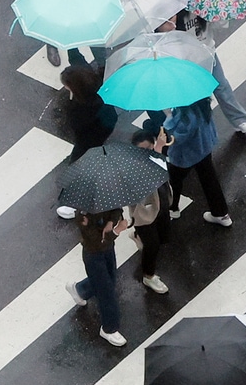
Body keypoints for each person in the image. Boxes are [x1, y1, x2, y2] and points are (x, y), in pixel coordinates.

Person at [159, 11, 246, 134]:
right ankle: (205, 130)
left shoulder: (204, 8)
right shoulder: (176, 15)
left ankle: (239, 120)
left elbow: (220, 25)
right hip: (190, 63)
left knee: (221, 86)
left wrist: (220, 14)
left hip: (208, 54)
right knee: (200, 99)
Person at [54, 65, 117, 218]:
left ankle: (72, 201)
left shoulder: (79, 107)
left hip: (89, 138)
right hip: (106, 124)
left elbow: (76, 127)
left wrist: (70, 103)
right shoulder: (98, 87)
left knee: (78, 162)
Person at [158, 98, 232, 227]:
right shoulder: (202, 103)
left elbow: (177, 137)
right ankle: (221, 214)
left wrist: (169, 116)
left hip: (186, 155)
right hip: (204, 147)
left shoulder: (186, 115)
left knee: (174, 180)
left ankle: (173, 208)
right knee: (209, 179)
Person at [65, 207, 130, 347]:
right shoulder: (82, 217)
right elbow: (96, 241)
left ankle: (80, 290)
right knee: (106, 291)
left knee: (110, 279)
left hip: (107, 249)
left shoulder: (106, 201)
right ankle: (109, 328)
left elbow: (117, 209)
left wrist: (111, 221)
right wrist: (116, 230)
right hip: (93, 255)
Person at [129, 126, 172, 294]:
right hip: (143, 215)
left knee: (163, 236)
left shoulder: (156, 157)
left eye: (149, 148)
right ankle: (148, 275)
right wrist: (158, 150)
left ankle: (138, 236)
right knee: (153, 246)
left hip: (161, 204)